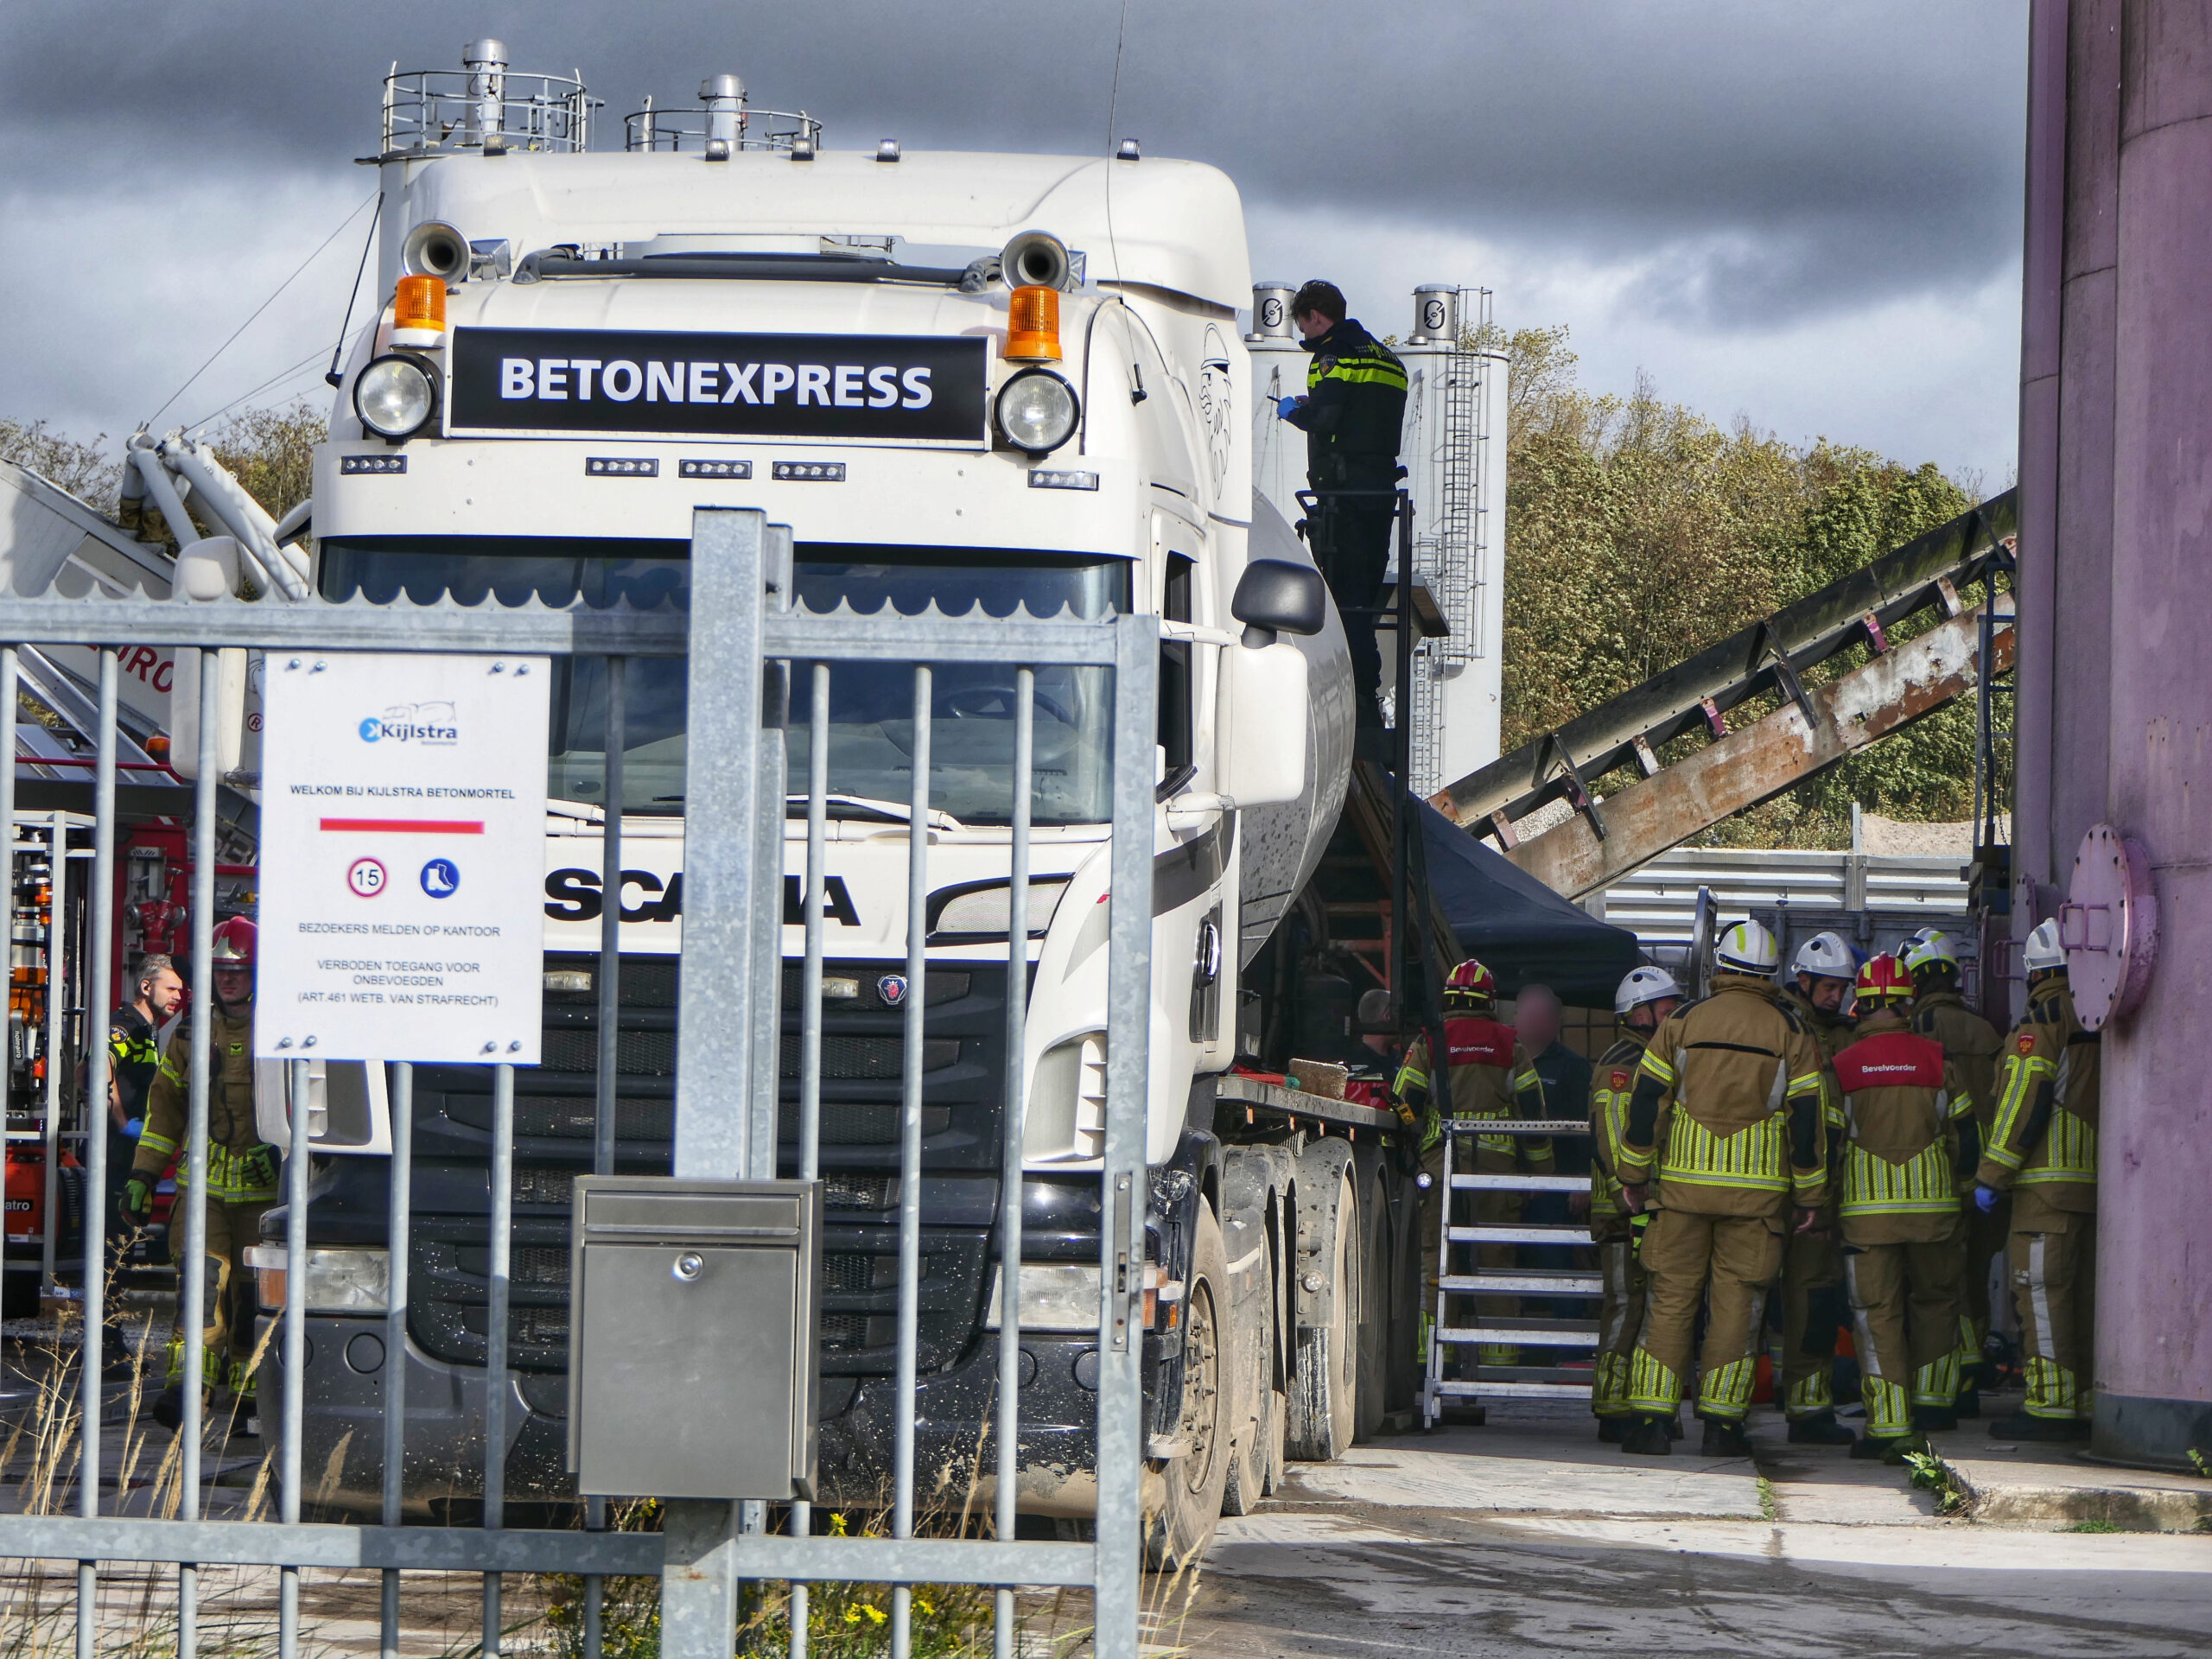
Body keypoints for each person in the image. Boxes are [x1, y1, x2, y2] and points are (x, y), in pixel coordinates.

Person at [1615, 920, 1827, 1458]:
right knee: (1738, 1309)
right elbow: (1807, 1119)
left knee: (1670, 1301)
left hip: (1683, 1193)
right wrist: (1810, 1194)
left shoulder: (1683, 1021)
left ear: (1722, 967)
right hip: (1757, 1201)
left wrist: (1634, 1176)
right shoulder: (1792, 1031)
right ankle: (1721, 1428)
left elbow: (1646, 1103)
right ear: (1771, 973)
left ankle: (1652, 1423)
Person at [122, 917, 281, 1432]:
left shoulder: (283, 1030)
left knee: (253, 1295)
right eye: (219, 971)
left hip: (266, 1193)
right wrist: (144, 1176)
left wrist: (281, 1154)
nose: (228, 979)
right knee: (201, 1286)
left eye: (238, 970)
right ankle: (188, 1390)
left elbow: (313, 1106)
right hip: (203, 1187)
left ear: (259, 971)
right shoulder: (190, 1033)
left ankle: (250, 1399)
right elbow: (165, 1109)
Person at [1829, 954, 1978, 1460]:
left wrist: (1819, 1201)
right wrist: (1964, 1189)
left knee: (1877, 1316)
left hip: (1865, 1216)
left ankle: (1889, 1426)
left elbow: (1828, 1142)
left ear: (1862, 1005)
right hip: (1935, 1212)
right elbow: (1966, 1136)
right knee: (1937, 1303)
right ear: (1908, 1005)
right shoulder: (1938, 1059)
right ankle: (1934, 1405)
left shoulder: (1843, 1065)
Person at [1971, 919, 2099, 1442]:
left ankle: (2050, 1406)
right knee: (2084, 1299)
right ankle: (2085, 1399)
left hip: (2044, 1189)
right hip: (2092, 1188)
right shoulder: (2098, 1014)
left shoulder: (2043, 1019)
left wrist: (1991, 1175)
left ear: (2034, 971)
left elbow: (2024, 1102)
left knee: (2041, 1296)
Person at [1393, 958, 1548, 1368]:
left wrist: (1415, 1146)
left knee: (1436, 1258)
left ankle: (1430, 1359)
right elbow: (1534, 1116)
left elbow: (1403, 1102)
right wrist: (1540, 1177)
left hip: (1440, 1168)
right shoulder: (1510, 1044)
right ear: (1490, 1001)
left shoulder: (1429, 1042)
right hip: (1498, 1177)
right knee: (1495, 1261)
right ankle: (1498, 1361)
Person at [1274, 279, 1408, 733]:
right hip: (1379, 494)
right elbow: (1361, 412)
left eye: (1304, 325)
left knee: (1344, 604)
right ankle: (1367, 696)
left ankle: (1358, 700)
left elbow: (1327, 420)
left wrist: (1295, 410)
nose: (1305, 335)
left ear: (1315, 316)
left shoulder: (1334, 354)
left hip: (1344, 497)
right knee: (1364, 603)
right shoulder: (1388, 358)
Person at [1904, 930, 2004, 1411]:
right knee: (1975, 1275)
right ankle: (1972, 1364)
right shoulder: (1986, 1031)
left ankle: (1951, 1375)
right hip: (1988, 1177)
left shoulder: (1916, 1028)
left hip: (1938, 1176)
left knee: (1939, 1284)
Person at [1587, 966, 1680, 1440]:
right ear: (1640, 1012)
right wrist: (1632, 1192)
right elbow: (1611, 1135)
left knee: (1649, 1304)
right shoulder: (1624, 1061)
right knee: (1627, 1302)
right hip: (1623, 1209)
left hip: (1642, 1205)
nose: (1675, 1013)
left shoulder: (1649, 1056)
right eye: (1667, 1006)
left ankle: (1635, 1398)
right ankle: (1612, 1405)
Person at [1774, 931, 1858, 1444]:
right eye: (1828, 987)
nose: (1837, 997)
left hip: (1821, 1191)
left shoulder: (1844, 1034)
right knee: (1752, 1300)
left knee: (1813, 1300)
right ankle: (1729, 1408)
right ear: (1802, 982)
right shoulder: (1780, 1027)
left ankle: (1808, 1410)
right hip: (1775, 1183)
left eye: (1843, 989)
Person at [107, 954, 184, 1251]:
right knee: (114, 1237)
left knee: (124, 1232)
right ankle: (109, 1295)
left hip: (130, 1152)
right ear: (146, 987)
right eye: (171, 989)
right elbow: (99, 1065)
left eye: (180, 990)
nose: (179, 996)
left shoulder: (148, 1029)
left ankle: (115, 1292)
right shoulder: (126, 1024)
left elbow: (81, 1069)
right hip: (117, 1151)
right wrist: (122, 1123)